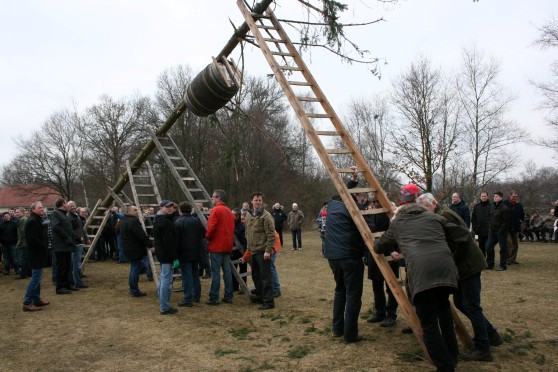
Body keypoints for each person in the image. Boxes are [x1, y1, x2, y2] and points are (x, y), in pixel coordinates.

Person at [375, 186, 471, 372]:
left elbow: (381, 245)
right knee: (443, 312)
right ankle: (452, 355)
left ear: (402, 203)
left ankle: (445, 366)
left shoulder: (398, 223)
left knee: (428, 324)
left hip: (422, 274)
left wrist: (376, 245)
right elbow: (464, 235)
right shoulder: (434, 217)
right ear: (419, 201)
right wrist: (452, 257)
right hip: (446, 272)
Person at [417, 193, 504, 362]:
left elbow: (463, 239)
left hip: (468, 266)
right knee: (460, 303)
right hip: (462, 267)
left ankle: (483, 348)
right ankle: (491, 335)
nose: (424, 212)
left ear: (433, 203)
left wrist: (452, 260)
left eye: (425, 209)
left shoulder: (444, 216)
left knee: (471, 306)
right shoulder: (440, 214)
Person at [244, 192, 276, 310]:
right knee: (256, 275)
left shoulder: (266, 216)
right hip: (253, 251)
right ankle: (261, 296)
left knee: (265, 277)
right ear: (252, 201)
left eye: (260, 200)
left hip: (263, 251)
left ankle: (269, 301)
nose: (258, 202)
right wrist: (248, 248)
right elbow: (248, 232)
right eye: (256, 200)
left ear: (262, 202)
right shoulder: (248, 215)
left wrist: (268, 251)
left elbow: (271, 235)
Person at [205, 189, 235, 305]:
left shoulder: (216, 210)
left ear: (219, 198)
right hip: (227, 245)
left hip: (217, 246)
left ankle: (214, 297)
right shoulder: (228, 210)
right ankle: (229, 296)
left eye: (213, 197)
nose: (212, 199)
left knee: (216, 272)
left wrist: (207, 237)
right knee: (227, 271)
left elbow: (211, 228)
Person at [175, 201, 205, 307]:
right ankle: (196, 295)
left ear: (180, 210)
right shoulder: (196, 221)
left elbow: (176, 240)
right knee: (195, 275)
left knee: (187, 276)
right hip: (196, 252)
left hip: (184, 254)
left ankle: (188, 299)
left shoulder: (178, 222)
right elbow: (203, 234)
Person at [120, 205, 154, 297]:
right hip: (134, 249)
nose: (137, 212)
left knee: (133, 268)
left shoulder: (124, 220)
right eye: (135, 210)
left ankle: (133, 289)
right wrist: (150, 245)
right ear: (130, 211)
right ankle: (134, 290)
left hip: (128, 248)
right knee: (135, 269)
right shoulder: (133, 221)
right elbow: (141, 235)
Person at [22, 202, 50, 311]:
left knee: (37, 278)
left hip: (38, 254)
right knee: (36, 278)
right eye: (40, 207)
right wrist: (44, 246)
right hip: (35, 254)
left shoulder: (37, 219)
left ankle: (36, 300)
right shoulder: (32, 221)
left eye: (43, 207)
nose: (42, 208)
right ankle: (27, 302)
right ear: (33, 210)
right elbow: (33, 240)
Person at [153, 200, 179, 315]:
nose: (170, 208)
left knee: (164, 279)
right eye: (167, 207)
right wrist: (174, 258)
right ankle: (164, 306)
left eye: (172, 207)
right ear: (161, 208)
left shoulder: (159, 219)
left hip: (162, 254)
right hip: (166, 255)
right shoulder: (165, 223)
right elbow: (169, 242)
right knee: (166, 281)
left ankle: (163, 301)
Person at [50, 198, 77, 295]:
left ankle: (67, 284)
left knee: (67, 265)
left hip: (67, 245)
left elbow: (68, 228)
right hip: (60, 245)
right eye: (66, 203)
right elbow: (55, 227)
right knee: (61, 266)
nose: (68, 204)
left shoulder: (64, 214)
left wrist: (74, 237)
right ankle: (60, 287)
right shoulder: (55, 214)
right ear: (62, 204)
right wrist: (66, 237)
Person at [485, 192, 511, 271]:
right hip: (492, 231)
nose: (495, 198)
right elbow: (489, 218)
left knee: (503, 248)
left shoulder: (505, 208)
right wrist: (489, 227)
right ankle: (490, 264)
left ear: (501, 198)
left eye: (497, 196)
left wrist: (501, 230)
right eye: (494, 196)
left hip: (501, 231)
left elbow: (506, 221)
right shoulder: (492, 207)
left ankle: (503, 265)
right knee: (488, 247)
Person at [67, 201, 88, 289]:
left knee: (76, 263)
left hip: (79, 242)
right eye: (70, 206)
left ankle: (76, 281)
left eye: (73, 205)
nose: (72, 207)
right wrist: (78, 237)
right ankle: (77, 282)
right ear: (68, 207)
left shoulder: (76, 215)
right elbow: (70, 230)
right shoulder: (69, 217)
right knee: (76, 263)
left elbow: (81, 228)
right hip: (75, 243)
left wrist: (85, 238)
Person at [503, 190, 524, 265]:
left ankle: (513, 258)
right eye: (513, 196)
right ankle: (507, 259)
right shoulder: (504, 203)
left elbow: (522, 215)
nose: (515, 198)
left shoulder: (519, 205)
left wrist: (521, 221)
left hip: (515, 227)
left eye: (516, 196)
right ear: (510, 196)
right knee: (509, 243)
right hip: (507, 227)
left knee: (515, 244)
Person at [231, 209, 248, 293]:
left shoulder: (242, 227)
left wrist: (244, 254)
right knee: (233, 270)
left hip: (241, 252)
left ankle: (243, 287)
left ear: (237, 216)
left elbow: (244, 241)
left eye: (232, 215)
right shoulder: (230, 224)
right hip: (233, 251)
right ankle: (234, 287)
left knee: (243, 270)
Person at [471, 192, 491, 257]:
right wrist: (474, 227)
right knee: (481, 247)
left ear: (487, 197)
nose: (483, 197)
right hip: (479, 230)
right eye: (482, 196)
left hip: (488, 231)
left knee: (488, 247)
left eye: (485, 196)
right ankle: (483, 261)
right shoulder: (477, 206)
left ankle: (490, 261)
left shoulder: (491, 206)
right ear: (480, 197)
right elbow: (473, 218)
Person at [15, 208, 29, 279]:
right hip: (23, 243)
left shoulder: (23, 220)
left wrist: (19, 243)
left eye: (17, 212)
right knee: (24, 258)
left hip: (23, 243)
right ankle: (25, 273)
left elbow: (22, 233)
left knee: (22, 259)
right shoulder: (23, 219)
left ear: (22, 212)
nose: (16, 213)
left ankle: (23, 274)